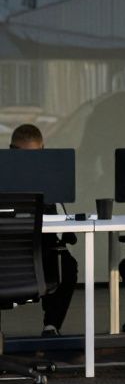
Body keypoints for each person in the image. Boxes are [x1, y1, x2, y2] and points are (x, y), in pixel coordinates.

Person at [9, 124, 77, 337]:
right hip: (8, 253)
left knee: (66, 263)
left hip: (41, 252)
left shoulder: (50, 179)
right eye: (24, 157)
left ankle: (51, 326)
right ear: (11, 152)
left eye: (36, 156)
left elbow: (62, 225)